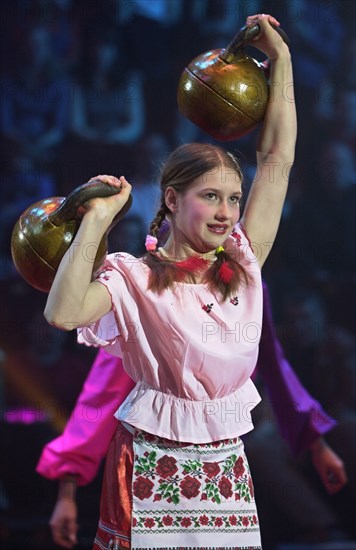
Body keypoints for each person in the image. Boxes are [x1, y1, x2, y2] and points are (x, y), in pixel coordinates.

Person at [43, 14, 296, 549]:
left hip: (227, 472)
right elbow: (63, 314)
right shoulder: (133, 278)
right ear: (174, 200)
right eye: (211, 197)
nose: (228, 212)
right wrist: (97, 220)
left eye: (232, 198)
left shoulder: (244, 265)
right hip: (150, 471)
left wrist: (282, 61)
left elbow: (276, 160)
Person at [37, 283, 347, 549]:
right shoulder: (144, 283)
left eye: (231, 208)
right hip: (161, 462)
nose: (223, 215)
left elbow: (274, 365)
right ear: (172, 210)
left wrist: (316, 442)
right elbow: (101, 395)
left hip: (226, 463)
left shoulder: (246, 280)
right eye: (212, 207)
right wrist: (68, 487)